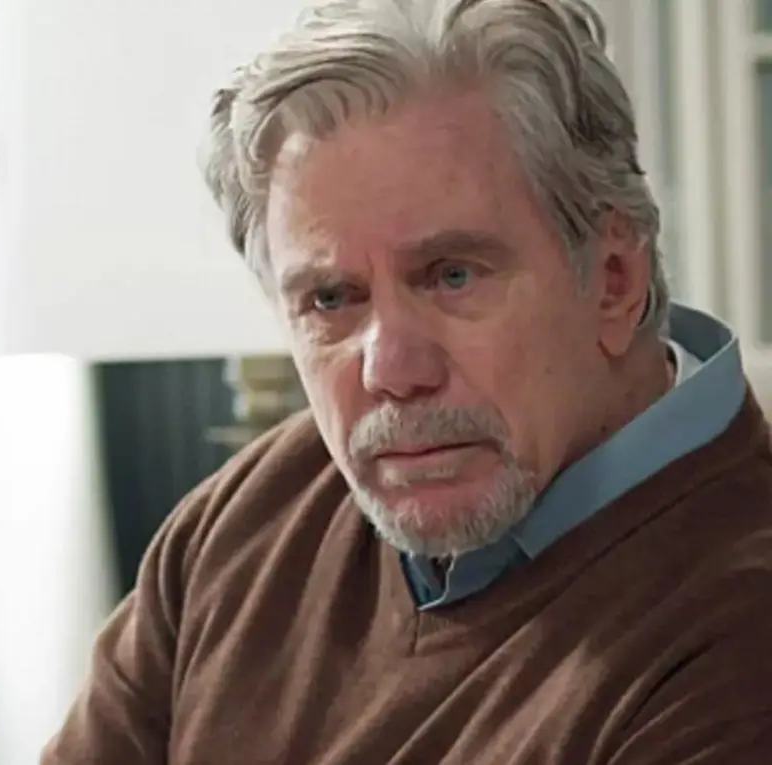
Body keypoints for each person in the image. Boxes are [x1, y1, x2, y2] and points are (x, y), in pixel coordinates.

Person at [43, 1, 772, 762]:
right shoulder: (243, 521)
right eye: (331, 299)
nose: (391, 371)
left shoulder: (737, 643)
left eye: (452, 276)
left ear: (614, 279)